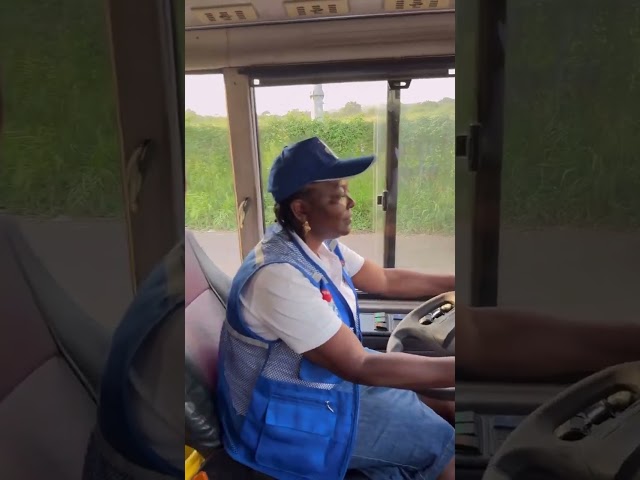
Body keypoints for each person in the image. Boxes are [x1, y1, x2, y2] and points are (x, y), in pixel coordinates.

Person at [216, 137, 456, 480]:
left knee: (442, 406)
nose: (352, 202)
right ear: (301, 210)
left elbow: (386, 281)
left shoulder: (320, 247)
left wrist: (458, 281)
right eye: (338, 195)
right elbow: (359, 364)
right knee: (442, 442)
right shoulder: (278, 275)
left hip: (325, 392)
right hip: (283, 421)